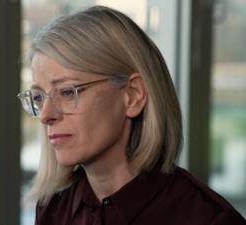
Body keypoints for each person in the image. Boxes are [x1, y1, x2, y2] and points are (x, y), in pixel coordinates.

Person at [17, 5, 246, 225]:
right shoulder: (53, 209)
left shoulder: (210, 220)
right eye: (38, 97)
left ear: (133, 95)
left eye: (67, 92)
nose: (46, 115)